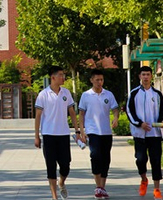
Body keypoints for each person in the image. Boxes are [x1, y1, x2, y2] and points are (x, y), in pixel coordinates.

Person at [34, 66, 80, 200]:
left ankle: (62, 182)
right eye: (60, 75)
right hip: (48, 135)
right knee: (51, 166)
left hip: (63, 134)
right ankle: (54, 196)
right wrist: (36, 136)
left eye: (63, 75)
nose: (63, 77)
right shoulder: (43, 94)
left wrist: (77, 131)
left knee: (66, 165)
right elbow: (38, 116)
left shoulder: (66, 93)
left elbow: (72, 113)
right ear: (53, 77)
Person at [126, 66, 163, 200]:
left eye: (148, 74)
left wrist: (162, 121)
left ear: (151, 76)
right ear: (140, 76)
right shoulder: (134, 93)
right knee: (140, 160)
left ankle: (157, 189)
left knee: (156, 161)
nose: (145, 77)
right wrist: (140, 123)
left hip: (155, 134)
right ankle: (144, 179)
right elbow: (129, 111)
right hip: (140, 134)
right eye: (143, 74)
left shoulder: (157, 94)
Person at [78, 69, 120, 199]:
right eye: (97, 80)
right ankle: (98, 186)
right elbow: (81, 114)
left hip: (106, 131)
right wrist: (82, 131)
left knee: (106, 158)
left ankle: (102, 187)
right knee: (95, 155)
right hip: (92, 131)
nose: (99, 82)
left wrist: (116, 118)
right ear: (91, 80)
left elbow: (115, 109)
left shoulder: (108, 94)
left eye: (101, 80)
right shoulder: (86, 95)